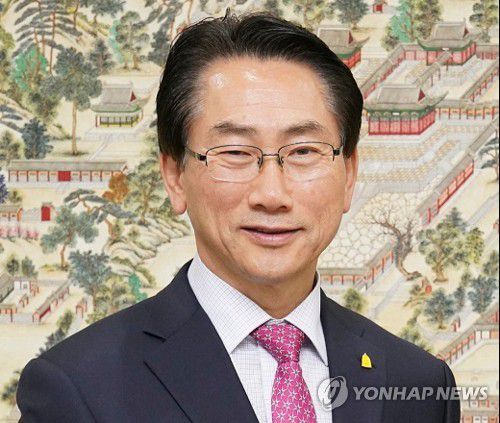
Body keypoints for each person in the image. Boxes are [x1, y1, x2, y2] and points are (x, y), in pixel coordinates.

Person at [16, 11, 460, 423]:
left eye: (304, 151)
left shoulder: (419, 385)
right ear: (174, 175)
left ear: (349, 173)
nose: (272, 194)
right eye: (234, 152)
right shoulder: (78, 389)